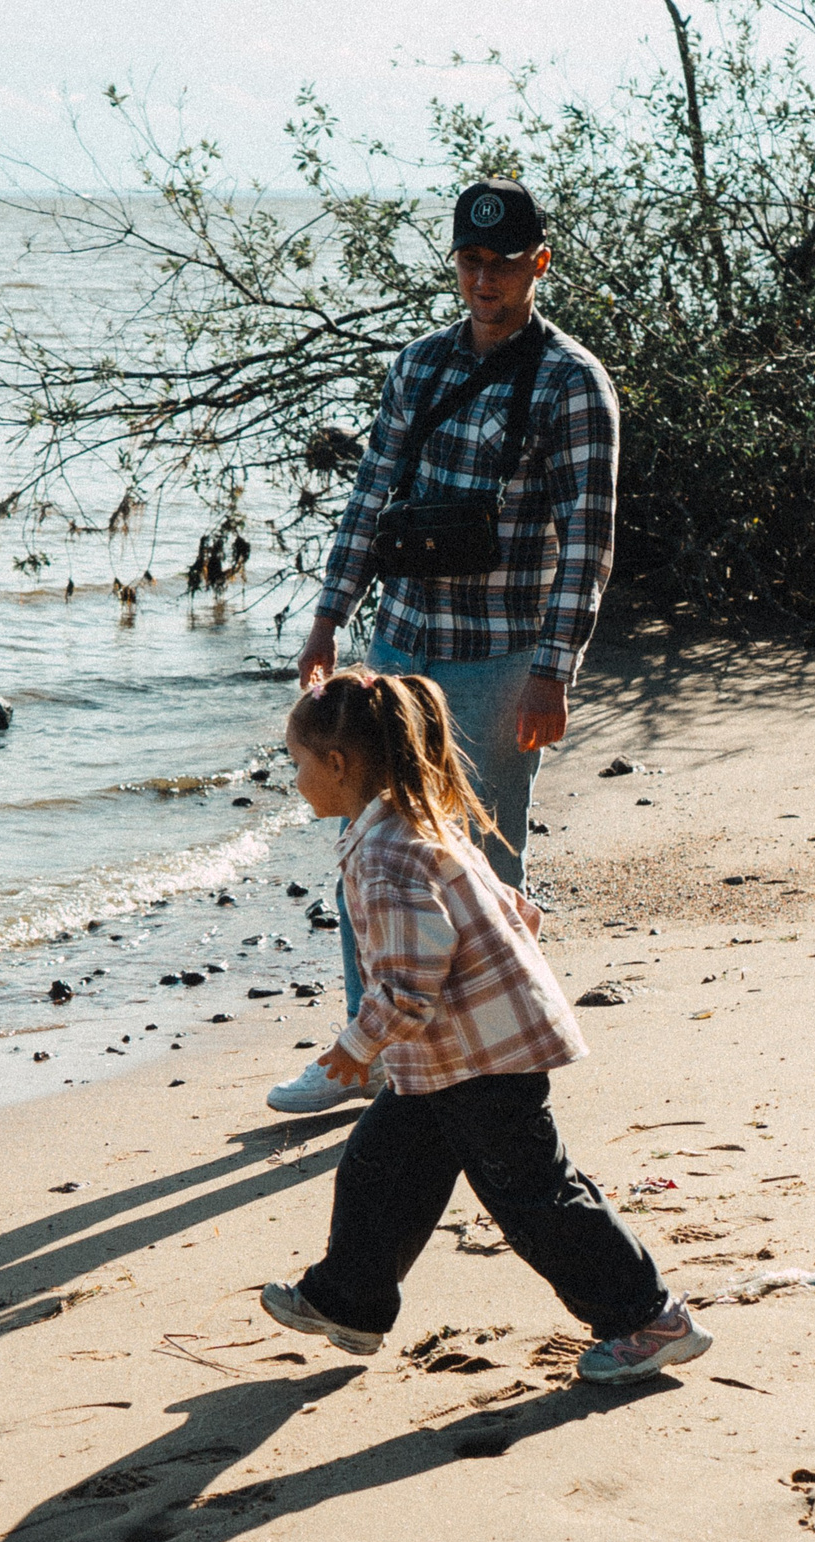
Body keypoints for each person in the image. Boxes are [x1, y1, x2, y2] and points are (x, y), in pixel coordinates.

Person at [270, 175, 621, 1116]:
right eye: (471, 262)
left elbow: (588, 541)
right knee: (368, 858)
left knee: (484, 875)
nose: (486, 280)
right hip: (401, 653)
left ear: (538, 264)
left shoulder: (571, 382)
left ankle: (492, 1062)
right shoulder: (419, 367)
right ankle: (371, 1060)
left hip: (506, 659)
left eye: (505, 264)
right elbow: (370, 493)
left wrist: (554, 673)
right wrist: (327, 618)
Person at [258, 668, 712, 1385]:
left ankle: (648, 1316)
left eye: (298, 763)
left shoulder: (384, 856)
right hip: (453, 1055)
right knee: (378, 1169)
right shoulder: (418, 824)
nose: (295, 778)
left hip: (482, 1059)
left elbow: (409, 986)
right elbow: (515, 908)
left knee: (534, 1197)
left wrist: (353, 1049)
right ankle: (349, 1299)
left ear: (338, 765)